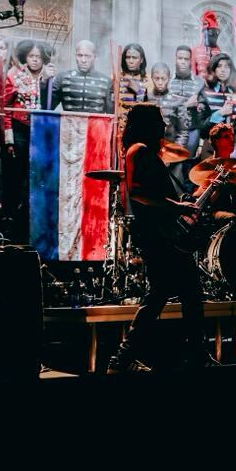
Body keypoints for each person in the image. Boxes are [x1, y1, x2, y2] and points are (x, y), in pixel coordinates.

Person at [106, 105, 206, 373]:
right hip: (157, 237)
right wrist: (178, 207)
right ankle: (124, 359)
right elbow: (138, 193)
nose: (163, 127)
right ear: (147, 124)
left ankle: (124, 359)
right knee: (181, 294)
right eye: (159, 122)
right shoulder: (139, 150)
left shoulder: (142, 151)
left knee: (168, 295)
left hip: (161, 235)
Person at [0, 40, 56, 240]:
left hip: (41, 131)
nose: (34, 60)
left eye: (38, 57)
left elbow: (53, 105)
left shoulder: (49, 76)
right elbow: (5, 108)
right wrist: (9, 139)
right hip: (19, 129)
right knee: (14, 179)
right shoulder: (14, 76)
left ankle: (31, 225)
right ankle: (9, 223)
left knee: (35, 180)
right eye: (31, 56)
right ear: (25, 56)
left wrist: (48, 81)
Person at [50, 40, 113, 114]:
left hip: (96, 125)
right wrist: (44, 82)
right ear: (75, 55)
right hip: (69, 124)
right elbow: (48, 106)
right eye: (80, 55)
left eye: (87, 56)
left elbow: (111, 114)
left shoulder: (106, 82)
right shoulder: (62, 78)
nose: (83, 60)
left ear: (94, 57)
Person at [169, 45, 204, 162]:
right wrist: (185, 104)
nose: (183, 62)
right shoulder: (167, 80)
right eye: (180, 58)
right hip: (172, 129)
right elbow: (163, 105)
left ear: (190, 61)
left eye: (186, 59)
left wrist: (201, 142)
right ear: (175, 59)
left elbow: (203, 113)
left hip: (192, 129)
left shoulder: (199, 82)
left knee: (188, 164)